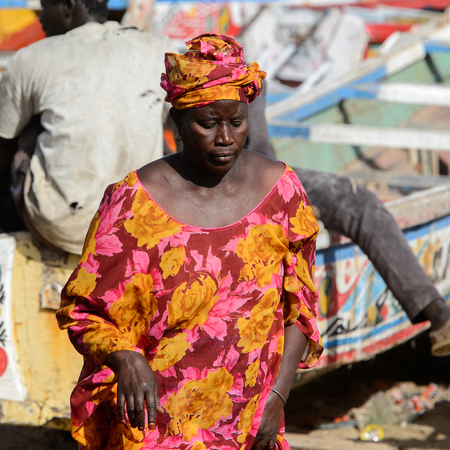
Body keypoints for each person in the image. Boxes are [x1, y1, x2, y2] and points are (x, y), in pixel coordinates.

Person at [56, 34, 323, 450]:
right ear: (177, 124)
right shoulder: (134, 204)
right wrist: (124, 357)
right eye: (207, 123)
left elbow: (299, 311)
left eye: (236, 122)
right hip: (156, 422)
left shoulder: (281, 192)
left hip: (248, 420)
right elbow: (83, 310)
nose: (225, 138)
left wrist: (276, 398)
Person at [245, 87, 450, 358]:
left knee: (357, 198)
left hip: (262, 171)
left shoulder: (248, 77)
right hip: (227, 182)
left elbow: (259, 151)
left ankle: (436, 311)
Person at [0, 0, 174, 254]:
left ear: (69, 6)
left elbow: (3, 146)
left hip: (63, 228)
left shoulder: (31, 58)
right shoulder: (158, 49)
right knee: (161, 133)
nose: (41, 19)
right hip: (140, 223)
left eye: (46, 7)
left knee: (25, 126)